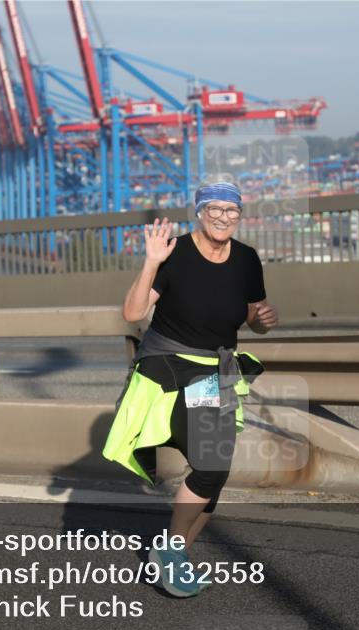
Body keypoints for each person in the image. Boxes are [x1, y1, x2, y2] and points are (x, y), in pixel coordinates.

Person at [102, 182, 279, 597]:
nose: (223, 217)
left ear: (240, 215)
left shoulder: (247, 260)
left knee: (213, 471)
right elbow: (133, 312)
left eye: (231, 210)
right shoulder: (174, 252)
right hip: (169, 366)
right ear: (199, 212)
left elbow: (253, 316)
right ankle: (174, 551)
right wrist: (150, 262)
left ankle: (172, 552)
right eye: (214, 209)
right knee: (211, 467)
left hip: (213, 373)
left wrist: (263, 320)